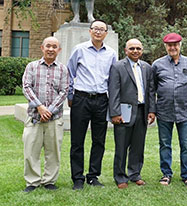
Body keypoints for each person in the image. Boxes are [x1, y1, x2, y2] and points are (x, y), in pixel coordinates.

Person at [67, 19, 117, 190]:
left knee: (99, 140)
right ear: (90, 31)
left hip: (102, 100)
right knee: (77, 140)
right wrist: (70, 96)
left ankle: (93, 176)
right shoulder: (79, 49)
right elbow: (70, 73)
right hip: (81, 98)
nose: (98, 32)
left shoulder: (111, 53)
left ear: (106, 33)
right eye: (95, 28)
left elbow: (112, 79)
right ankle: (78, 178)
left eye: (101, 29)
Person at [22, 37, 69, 192]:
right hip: (34, 117)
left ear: (59, 50)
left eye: (54, 47)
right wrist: (40, 107)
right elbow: (26, 87)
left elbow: (64, 91)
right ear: (42, 48)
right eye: (48, 46)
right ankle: (32, 181)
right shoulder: (32, 66)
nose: (51, 49)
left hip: (54, 118)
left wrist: (49, 110)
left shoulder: (63, 69)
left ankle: (49, 180)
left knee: (53, 151)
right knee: (31, 151)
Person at [108, 39, 156, 189]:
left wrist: (152, 110)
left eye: (138, 48)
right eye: (132, 48)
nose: (135, 51)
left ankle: (135, 174)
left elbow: (151, 91)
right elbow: (114, 91)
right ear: (125, 50)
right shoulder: (117, 67)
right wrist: (115, 113)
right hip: (124, 113)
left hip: (142, 111)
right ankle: (120, 177)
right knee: (121, 147)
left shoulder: (147, 67)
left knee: (138, 146)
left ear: (142, 50)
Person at [152, 33, 187, 188]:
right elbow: (152, 89)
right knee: (165, 144)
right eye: (169, 45)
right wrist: (152, 110)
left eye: (175, 44)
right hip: (164, 111)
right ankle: (166, 174)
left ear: (180, 45)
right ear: (165, 46)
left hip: (185, 112)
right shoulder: (157, 65)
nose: (173, 47)